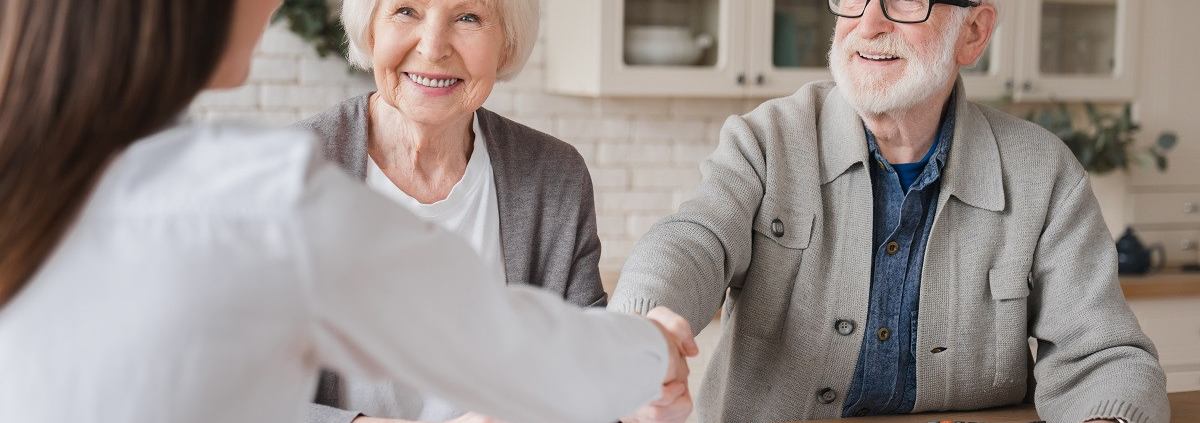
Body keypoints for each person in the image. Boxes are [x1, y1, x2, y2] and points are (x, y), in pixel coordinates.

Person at [0, 1, 700, 423]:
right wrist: (653, 350)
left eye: (467, 14)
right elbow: (502, 343)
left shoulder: (36, 180)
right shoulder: (260, 201)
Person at [608, 1, 1169, 423]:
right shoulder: (767, 140)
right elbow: (694, 239)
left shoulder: (1044, 174)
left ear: (972, 32)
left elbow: (1104, 354)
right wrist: (642, 325)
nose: (868, 23)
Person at [289, 1, 645, 422]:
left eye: (468, 17)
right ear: (370, 32)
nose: (434, 47)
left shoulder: (554, 178)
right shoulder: (288, 176)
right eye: (406, 11)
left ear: (506, 47)